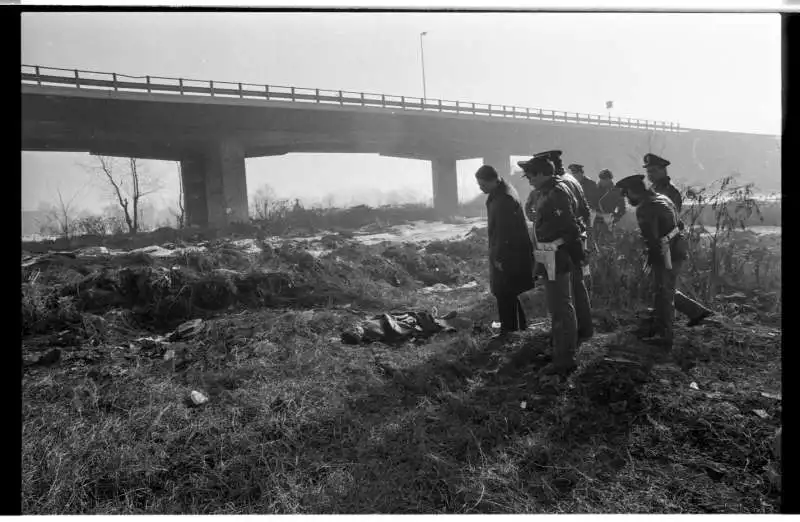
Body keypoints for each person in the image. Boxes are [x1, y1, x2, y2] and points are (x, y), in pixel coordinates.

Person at [517, 154, 585, 375]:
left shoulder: (556, 194)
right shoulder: (546, 192)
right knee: (556, 307)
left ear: (543, 173)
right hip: (549, 255)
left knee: (561, 306)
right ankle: (560, 350)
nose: (528, 179)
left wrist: (563, 251)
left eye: (530, 175)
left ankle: (565, 358)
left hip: (556, 256)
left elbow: (571, 228)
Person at [615, 174, 689, 350]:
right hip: (677, 248)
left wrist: (651, 263)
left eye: (627, 194)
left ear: (633, 191)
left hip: (665, 254)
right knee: (667, 291)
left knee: (663, 294)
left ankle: (665, 337)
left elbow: (652, 241)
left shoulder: (645, 208)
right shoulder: (663, 198)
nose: (627, 199)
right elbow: (680, 224)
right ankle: (660, 328)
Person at [642, 153, 714, 326]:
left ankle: (690, 314)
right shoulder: (655, 189)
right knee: (660, 284)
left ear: (662, 170)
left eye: (653, 171)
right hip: (661, 242)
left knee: (664, 286)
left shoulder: (669, 192)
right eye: (648, 171)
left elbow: (668, 220)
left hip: (669, 244)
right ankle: (671, 315)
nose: (649, 174)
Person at [530, 151, 594, 343]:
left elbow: (566, 222)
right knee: (576, 289)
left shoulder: (556, 189)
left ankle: (566, 342)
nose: (530, 180)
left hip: (559, 247)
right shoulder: (571, 181)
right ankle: (583, 330)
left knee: (560, 299)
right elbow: (585, 212)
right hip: (573, 243)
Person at [475, 165, 535, 337]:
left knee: (504, 292)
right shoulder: (503, 191)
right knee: (509, 291)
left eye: (482, 184)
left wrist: (500, 257)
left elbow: (505, 232)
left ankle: (509, 332)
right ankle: (519, 327)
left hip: (508, 253)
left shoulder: (504, 198)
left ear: (493, 180)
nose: (480, 188)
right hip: (510, 252)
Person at [594, 169, 627, 238]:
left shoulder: (617, 191)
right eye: (601, 179)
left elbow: (622, 208)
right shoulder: (594, 189)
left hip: (608, 222)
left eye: (605, 179)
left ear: (610, 179)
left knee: (608, 244)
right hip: (594, 220)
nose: (602, 181)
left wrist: (616, 217)